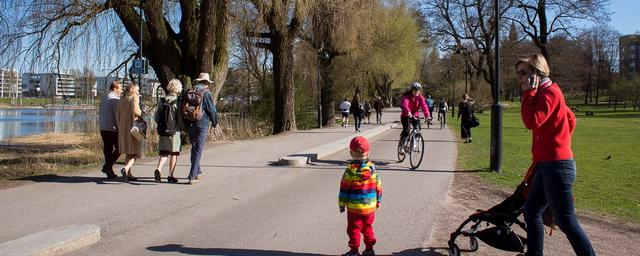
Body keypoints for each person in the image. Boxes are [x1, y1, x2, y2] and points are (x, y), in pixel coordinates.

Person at [517, 53, 595, 256]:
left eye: (524, 73)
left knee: (566, 220)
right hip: (548, 164)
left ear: (537, 72)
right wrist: (557, 140)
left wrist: (528, 94)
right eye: (518, 74)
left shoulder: (549, 92)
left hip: (557, 166)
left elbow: (531, 121)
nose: (520, 78)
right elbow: (570, 119)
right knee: (531, 210)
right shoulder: (548, 92)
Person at [338, 136, 382, 256]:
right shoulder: (373, 169)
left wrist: (342, 204)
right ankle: (369, 249)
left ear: (351, 153)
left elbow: (344, 189)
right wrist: (378, 201)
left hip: (354, 208)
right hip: (370, 206)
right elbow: (378, 186)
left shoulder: (350, 171)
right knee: (367, 227)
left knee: (353, 229)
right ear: (369, 152)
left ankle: (354, 251)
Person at [184, 73, 218, 185]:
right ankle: (192, 176)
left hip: (190, 122)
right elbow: (211, 110)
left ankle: (197, 171)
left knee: (194, 148)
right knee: (198, 149)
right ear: (206, 83)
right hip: (202, 123)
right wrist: (214, 122)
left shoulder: (190, 91)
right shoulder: (206, 93)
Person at [153, 79, 184, 183]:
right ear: (178, 89)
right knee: (173, 154)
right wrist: (182, 128)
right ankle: (171, 175)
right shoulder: (177, 102)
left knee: (164, 153)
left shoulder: (162, 101)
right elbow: (179, 119)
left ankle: (159, 169)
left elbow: (156, 117)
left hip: (163, 131)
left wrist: (162, 126)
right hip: (174, 131)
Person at [116, 83, 144, 181]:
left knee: (128, 152)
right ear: (133, 90)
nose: (138, 91)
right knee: (135, 152)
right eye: (137, 89)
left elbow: (117, 115)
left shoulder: (122, 100)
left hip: (123, 128)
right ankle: (126, 169)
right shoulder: (134, 97)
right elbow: (136, 111)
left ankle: (128, 174)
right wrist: (141, 114)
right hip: (133, 127)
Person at [98, 81, 122, 179]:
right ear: (115, 88)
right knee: (120, 148)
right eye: (120, 88)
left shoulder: (105, 98)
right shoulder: (114, 99)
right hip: (112, 128)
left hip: (103, 127)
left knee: (108, 149)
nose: (121, 91)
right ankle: (107, 167)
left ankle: (109, 170)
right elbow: (117, 115)